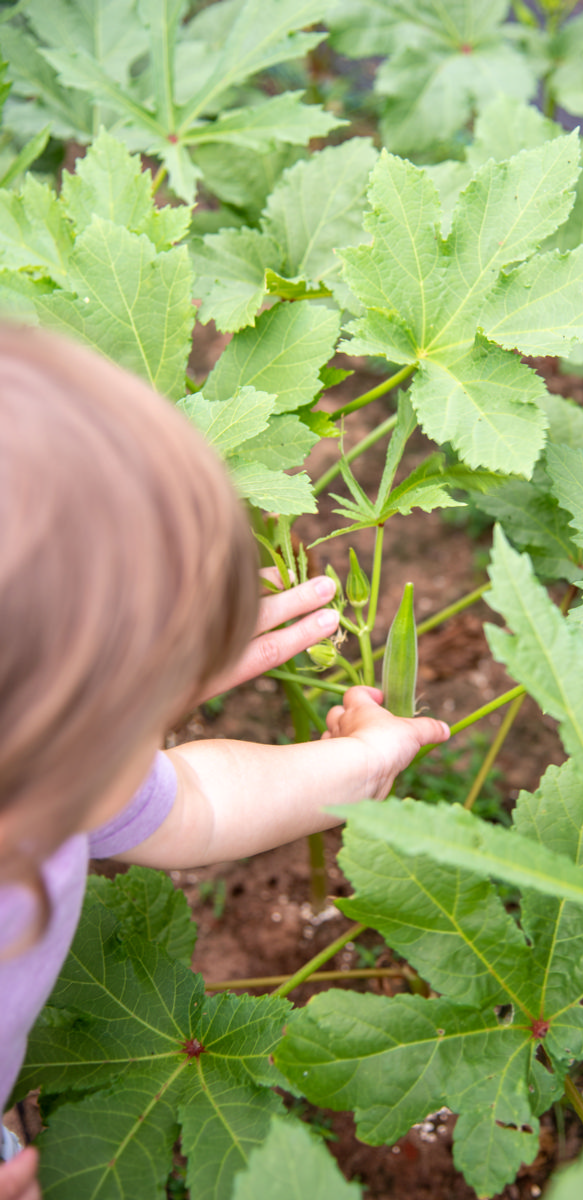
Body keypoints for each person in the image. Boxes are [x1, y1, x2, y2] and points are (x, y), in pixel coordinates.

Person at [0, 326, 449, 1200]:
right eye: (146, 710)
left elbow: (197, 801)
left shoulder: (50, 771)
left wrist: (354, 769)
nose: (163, 730)